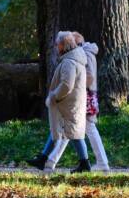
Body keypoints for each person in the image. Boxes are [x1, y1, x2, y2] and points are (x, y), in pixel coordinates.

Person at [25, 31, 91, 173]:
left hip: (66, 104)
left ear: (63, 45)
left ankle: (85, 163)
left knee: (74, 134)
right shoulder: (73, 59)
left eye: (57, 44)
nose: (56, 47)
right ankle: (43, 158)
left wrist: (54, 96)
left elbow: (67, 85)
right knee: (58, 130)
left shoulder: (69, 62)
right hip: (70, 103)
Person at [74, 32, 109, 171]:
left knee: (88, 128)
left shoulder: (84, 54)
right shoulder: (88, 52)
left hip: (85, 96)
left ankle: (101, 162)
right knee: (84, 128)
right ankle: (101, 162)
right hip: (88, 95)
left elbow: (88, 77)